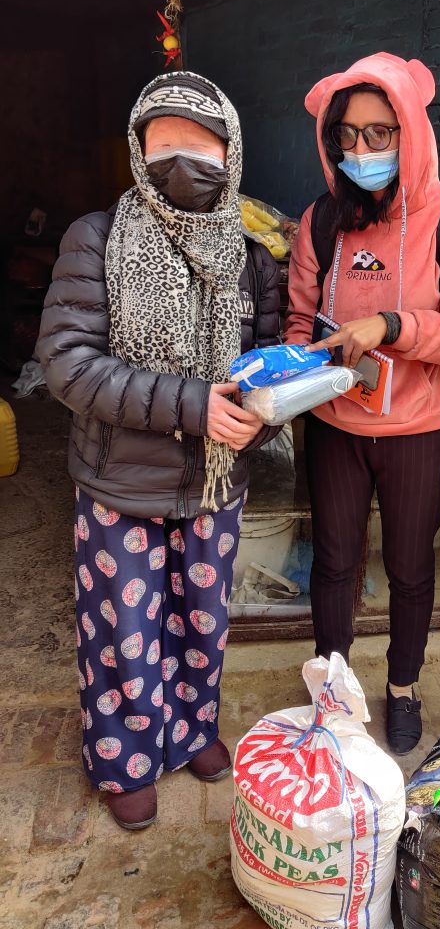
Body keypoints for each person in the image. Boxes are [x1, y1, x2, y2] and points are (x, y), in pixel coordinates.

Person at [37, 71, 281, 830]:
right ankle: (125, 759)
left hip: (214, 483)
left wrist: (259, 418)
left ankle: (190, 730)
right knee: (124, 632)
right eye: (163, 139)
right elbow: (67, 363)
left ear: (230, 150)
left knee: (203, 620)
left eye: (201, 141)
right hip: (120, 481)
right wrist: (191, 406)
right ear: (139, 149)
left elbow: (267, 361)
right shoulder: (97, 238)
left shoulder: (251, 252)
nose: (183, 156)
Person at [285, 52, 440, 754]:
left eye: (380, 133)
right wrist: (292, 368)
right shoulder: (321, 222)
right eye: (347, 135)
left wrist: (391, 327)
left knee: (409, 567)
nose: (361, 150)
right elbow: (298, 317)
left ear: (412, 133)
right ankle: (333, 690)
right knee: (335, 563)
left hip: (417, 428)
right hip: (334, 422)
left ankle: (402, 686)